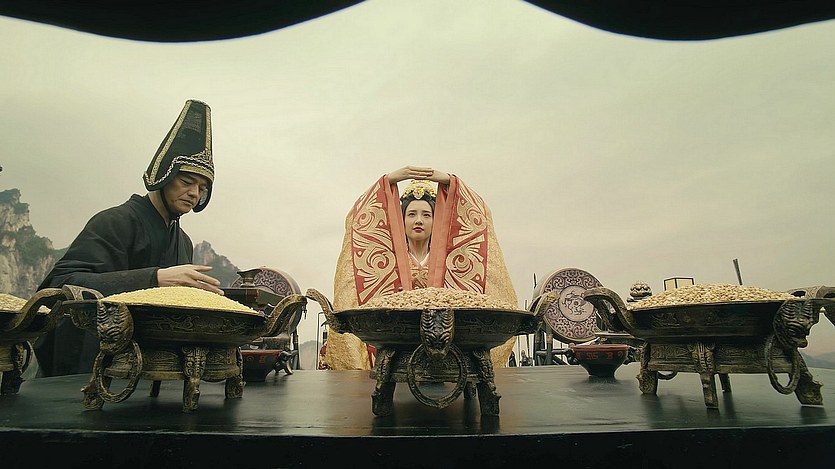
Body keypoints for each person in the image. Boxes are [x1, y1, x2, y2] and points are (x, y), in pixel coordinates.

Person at [33, 99, 223, 377]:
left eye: (202, 187)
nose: (195, 193)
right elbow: (62, 284)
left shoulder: (183, 241)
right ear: (163, 176)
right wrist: (154, 279)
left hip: (152, 370)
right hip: (91, 369)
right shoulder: (115, 221)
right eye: (186, 182)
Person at [324, 165, 519, 370]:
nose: (419, 220)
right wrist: (388, 180)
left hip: (444, 351)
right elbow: (358, 219)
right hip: (396, 349)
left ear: (436, 220)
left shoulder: (452, 261)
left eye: (426, 215)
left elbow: (480, 217)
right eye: (411, 214)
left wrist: (450, 182)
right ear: (401, 220)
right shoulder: (384, 261)